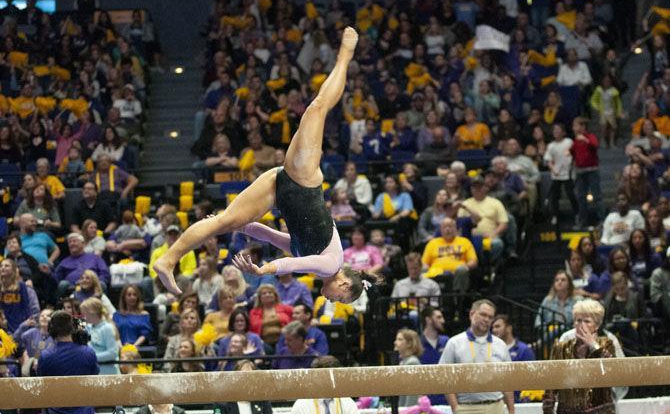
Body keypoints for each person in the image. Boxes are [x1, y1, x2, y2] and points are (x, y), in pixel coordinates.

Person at [154, 28, 369, 305]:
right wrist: (264, 269)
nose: (332, 301)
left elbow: (269, 235)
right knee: (317, 108)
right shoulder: (329, 265)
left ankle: (167, 260)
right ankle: (344, 56)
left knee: (222, 222)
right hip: (302, 180)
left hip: (279, 186)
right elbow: (290, 266)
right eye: (340, 299)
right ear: (343, 283)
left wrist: (237, 226)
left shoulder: (311, 252)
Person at [439, 299, 515, 414]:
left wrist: (511, 412)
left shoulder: (500, 345)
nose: (486, 319)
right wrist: (456, 408)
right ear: (471, 314)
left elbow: (507, 380)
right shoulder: (454, 343)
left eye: (490, 317)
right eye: (483, 314)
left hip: (496, 407)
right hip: (466, 409)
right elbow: (444, 376)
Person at [542, 300, 617, 414]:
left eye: (586, 321)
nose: (581, 325)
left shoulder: (606, 343)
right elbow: (552, 378)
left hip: (598, 413)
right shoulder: (561, 347)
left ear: (597, 325)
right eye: (578, 320)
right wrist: (548, 406)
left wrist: (593, 345)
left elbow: (613, 368)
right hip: (568, 413)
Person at [37, 310, 99, 414]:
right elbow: (95, 375)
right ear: (72, 329)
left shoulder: (45, 356)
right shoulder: (88, 352)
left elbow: (41, 384)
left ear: (51, 330)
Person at [290, 355, 361, 414]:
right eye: (324, 378)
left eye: (332, 378)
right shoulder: (302, 405)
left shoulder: (347, 403)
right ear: (314, 378)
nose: (328, 382)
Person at [458, 176, 508, 262]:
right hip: (470, 238)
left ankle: (489, 266)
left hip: (489, 237)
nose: (477, 189)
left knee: (497, 244)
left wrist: (493, 234)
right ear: (471, 189)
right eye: (474, 187)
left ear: (485, 188)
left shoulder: (495, 202)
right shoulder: (465, 204)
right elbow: (459, 224)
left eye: (480, 187)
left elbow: (504, 223)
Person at [421, 217, 477, 294]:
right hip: (436, 274)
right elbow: (424, 263)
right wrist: (424, 268)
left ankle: (457, 297)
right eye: (444, 227)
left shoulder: (464, 242)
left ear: (455, 228)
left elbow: (473, 261)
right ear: (441, 230)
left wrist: (466, 266)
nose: (447, 229)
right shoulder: (432, 243)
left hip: (456, 274)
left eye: (450, 226)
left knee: (462, 270)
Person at [543, 124, 578, 225]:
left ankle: (577, 213)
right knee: (554, 197)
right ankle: (555, 216)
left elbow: (574, 155)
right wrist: (553, 169)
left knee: (571, 195)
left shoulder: (569, 142)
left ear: (563, 132)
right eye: (555, 130)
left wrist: (573, 165)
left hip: (568, 174)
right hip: (556, 175)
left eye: (558, 130)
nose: (556, 132)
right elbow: (548, 160)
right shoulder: (551, 146)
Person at [80, 297, 119, 375]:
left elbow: (113, 353)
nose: (82, 316)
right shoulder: (88, 328)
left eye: (84, 313)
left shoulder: (107, 328)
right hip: (94, 372)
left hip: (108, 374)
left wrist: (91, 358)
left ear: (92, 312)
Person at [249, 284, 293, 349]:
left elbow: (299, 315)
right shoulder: (254, 312)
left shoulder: (286, 308)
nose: (267, 295)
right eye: (264, 293)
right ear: (259, 298)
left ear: (275, 296)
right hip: (263, 343)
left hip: (284, 342)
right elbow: (253, 327)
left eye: (270, 292)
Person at [0, 259, 38, 333]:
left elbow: (26, 305)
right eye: (1, 266)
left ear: (13, 269)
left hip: (19, 320)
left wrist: (29, 321)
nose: (3, 268)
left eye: (6, 266)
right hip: (4, 322)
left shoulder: (21, 285)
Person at [394, 328, 423, 407]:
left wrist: (407, 413)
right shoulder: (403, 362)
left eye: (400, 339)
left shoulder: (412, 363)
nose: (395, 342)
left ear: (409, 343)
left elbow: (413, 394)